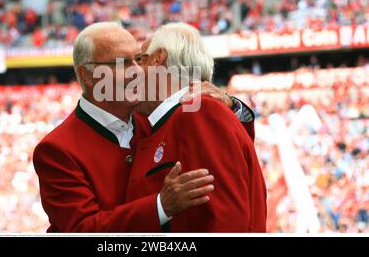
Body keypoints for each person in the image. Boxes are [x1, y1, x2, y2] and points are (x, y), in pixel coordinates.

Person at [33, 22, 256, 232]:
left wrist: (230, 105)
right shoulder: (56, 150)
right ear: (87, 75)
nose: (138, 72)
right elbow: (83, 230)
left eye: (139, 59)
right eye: (123, 63)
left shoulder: (157, 116)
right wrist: (160, 207)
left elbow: (227, 154)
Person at [125, 22, 267, 232]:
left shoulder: (197, 113)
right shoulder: (181, 115)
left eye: (139, 60)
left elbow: (223, 219)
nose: (132, 71)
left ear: (157, 59)